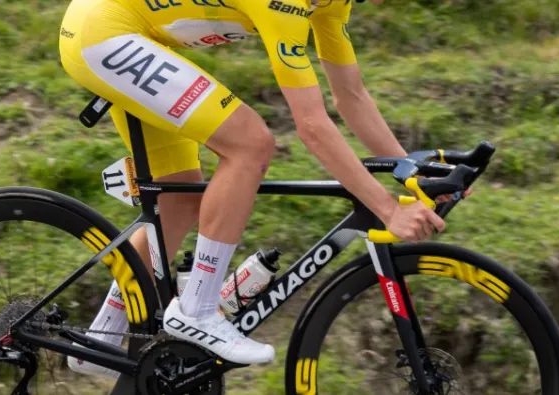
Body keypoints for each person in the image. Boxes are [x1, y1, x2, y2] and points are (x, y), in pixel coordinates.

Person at [58, 0, 453, 377]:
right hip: (103, 31)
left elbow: (351, 96)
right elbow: (312, 126)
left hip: (137, 35)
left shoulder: (333, 4)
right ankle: (196, 309)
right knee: (249, 143)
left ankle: (102, 338)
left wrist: (416, 170)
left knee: (177, 199)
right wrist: (387, 209)